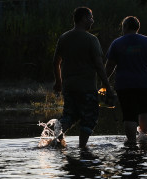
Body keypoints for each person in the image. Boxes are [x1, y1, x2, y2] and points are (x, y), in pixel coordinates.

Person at [105, 16, 147, 144]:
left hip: (125, 85)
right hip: (146, 84)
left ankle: (131, 142)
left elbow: (110, 66)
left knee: (129, 114)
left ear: (124, 27)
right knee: (146, 110)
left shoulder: (117, 43)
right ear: (138, 27)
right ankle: (144, 139)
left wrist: (104, 81)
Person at [53, 7, 114, 148]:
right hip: (87, 88)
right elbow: (99, 66)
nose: (92, 20)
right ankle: (82, 147)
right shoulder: (91, 39)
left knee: (69, 116)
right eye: (91, 17)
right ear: (83, 19)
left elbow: (56, 62)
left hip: (69, 87)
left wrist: (58, 82)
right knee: (89, 117)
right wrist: (107, 87)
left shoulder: (64, 38)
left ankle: (55, 138)